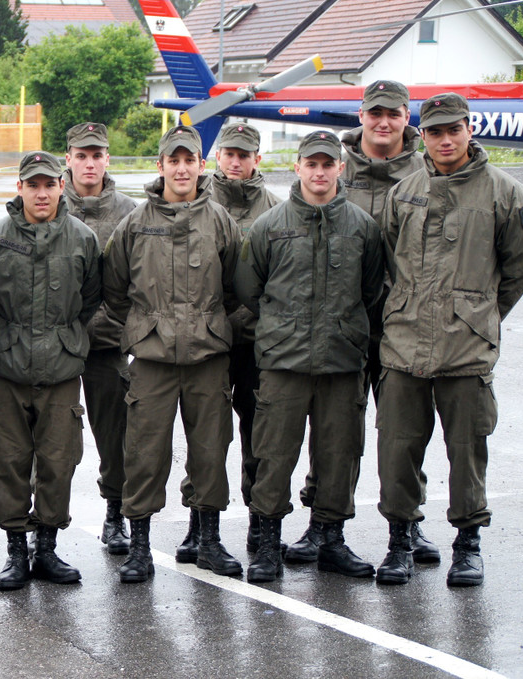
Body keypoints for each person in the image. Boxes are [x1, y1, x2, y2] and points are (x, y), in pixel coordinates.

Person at [374, 93, 523, 586]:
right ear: (423, 135)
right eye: (435, 131)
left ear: (468, 129)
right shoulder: (405, 191)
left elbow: (516, 269)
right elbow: (388, 260)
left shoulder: (505, 193)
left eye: (453, 130)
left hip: (467, 348)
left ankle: (468, 544)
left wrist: (480, 314)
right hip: (404, 342)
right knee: (397, 448)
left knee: (467, 450)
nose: (445, 140)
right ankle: (400, 541)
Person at [289, 80, 435, 565]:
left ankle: (407, 525)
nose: (384, 122)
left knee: (404, 434)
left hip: (405, 327)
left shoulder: (426, 172)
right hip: (339, 325)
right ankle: (323, 524)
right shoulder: (334, 166)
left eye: (393, 113)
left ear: (407, 116)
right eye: (375, 113)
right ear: (362, 115)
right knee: (335, 432)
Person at [235, 130, 384, 583]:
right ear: (297, 167)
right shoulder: (269, 225)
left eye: (327, 164)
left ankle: (330, 539)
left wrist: (343, 329)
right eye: (311, 164)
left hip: (342, 360)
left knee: (340, 453)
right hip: (284, 362)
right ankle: (267, 544)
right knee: (273, 455)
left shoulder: (362, 227)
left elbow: (371, 289)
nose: (319, 172)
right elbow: (249, 287)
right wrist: (284, 327)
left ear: (341, 168)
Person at [103, 125, 242, 583]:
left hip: (208, 358)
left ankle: (208, 541)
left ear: (202, 166)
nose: (182, 169)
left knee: (210, 451)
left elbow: (237, 286)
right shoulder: (135, 223)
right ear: (160, 165)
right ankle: (139, 548)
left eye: (190, 160)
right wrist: (146, 325)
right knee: (144, 453)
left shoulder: (220, 221)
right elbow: (113, 288)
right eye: (173, 160)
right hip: (153, 360)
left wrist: (209, 324)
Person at [0, 151, 102, 590]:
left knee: (58, 461)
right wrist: (14, 334)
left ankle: (46, 548)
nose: (42, 193)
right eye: (33, 185)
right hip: (8, 367)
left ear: (62, 186)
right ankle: (16, 551)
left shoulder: (83, 238)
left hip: (61, 367)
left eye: (49, 184)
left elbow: (90, 298)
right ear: (20, 188)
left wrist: (59, 336)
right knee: (8, 460)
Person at [177, 123, 281, 564]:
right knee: (207, 437)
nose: (236, 162)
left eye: (244, 155)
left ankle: (260, 522)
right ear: (217, 157)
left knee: (260, 435)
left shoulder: (276, 209)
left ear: (258, 158)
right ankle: (198, 523)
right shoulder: (196, 201)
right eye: (229, 154)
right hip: (210, 340)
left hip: (256, 341)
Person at [62, 122, 137, 555]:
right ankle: (43, 525)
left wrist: (123, 326)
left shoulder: (129, 211)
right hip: (58, 345)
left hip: (108, 345)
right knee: (51, 441)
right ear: (68, 158)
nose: (89, 163)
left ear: (107, 159)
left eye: (97, 155)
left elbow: (138, 277)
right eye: (81, 155)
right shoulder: (48, 201)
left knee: (115, 437)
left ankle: (116, 514)